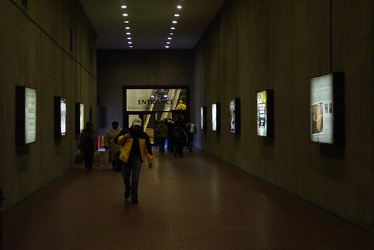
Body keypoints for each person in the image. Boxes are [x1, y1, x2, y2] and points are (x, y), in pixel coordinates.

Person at [114, 118, 153, 204]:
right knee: (126, 176)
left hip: (137, 158)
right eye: (135, 126)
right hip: (125, 158)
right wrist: (124, 137)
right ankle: (127, 188)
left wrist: (150, 160)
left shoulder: (143, 135)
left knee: (135, 177)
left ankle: (134, 196)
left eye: (138, 126)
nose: (136, 128)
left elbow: (148, 149)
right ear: (132, 124)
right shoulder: (125, 132)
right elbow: (116, 141)